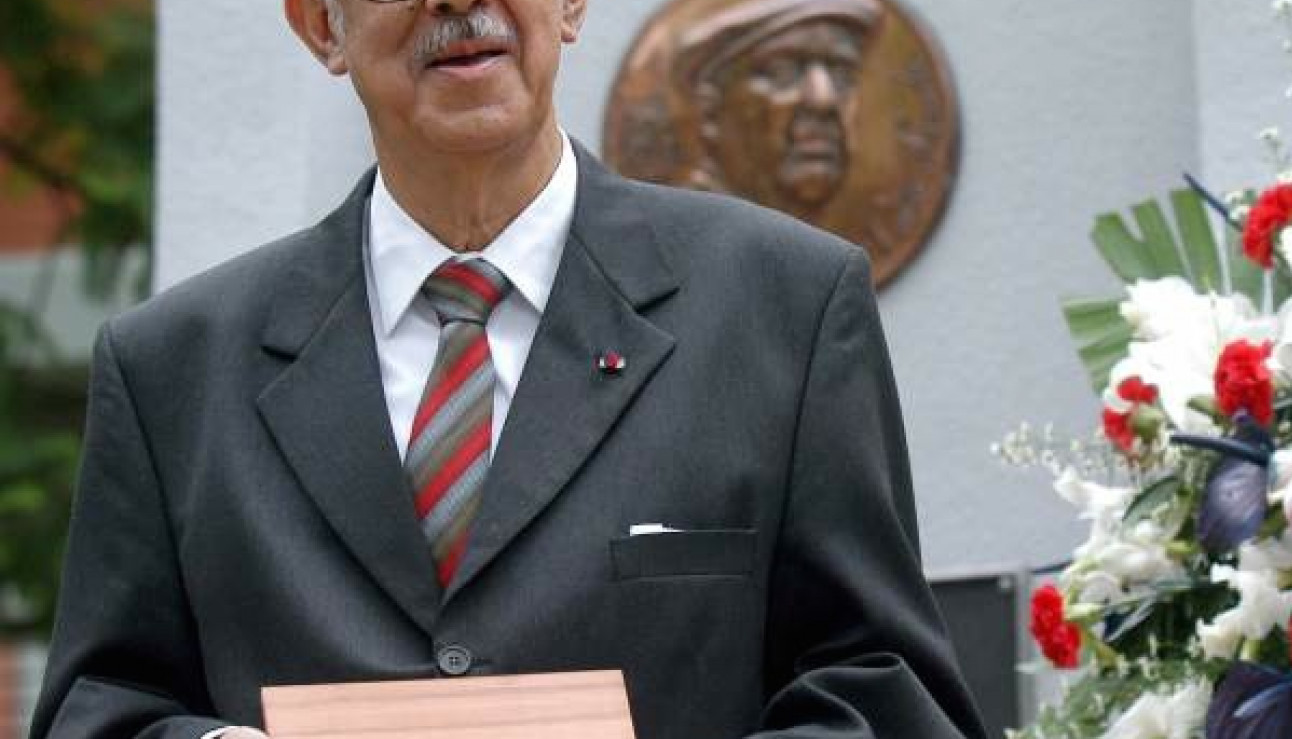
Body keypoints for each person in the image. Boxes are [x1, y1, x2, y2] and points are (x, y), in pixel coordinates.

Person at [28, 0, 985, 737]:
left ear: (571, 4)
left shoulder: (787, 307)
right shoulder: (171, 368)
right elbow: (98, 708)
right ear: (321, 23)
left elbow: (888, 694)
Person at [674, 0, 880, 225]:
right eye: (781, 72)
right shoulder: (677, 235)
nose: (824, 99)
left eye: (842, 75)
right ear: (709, 110)